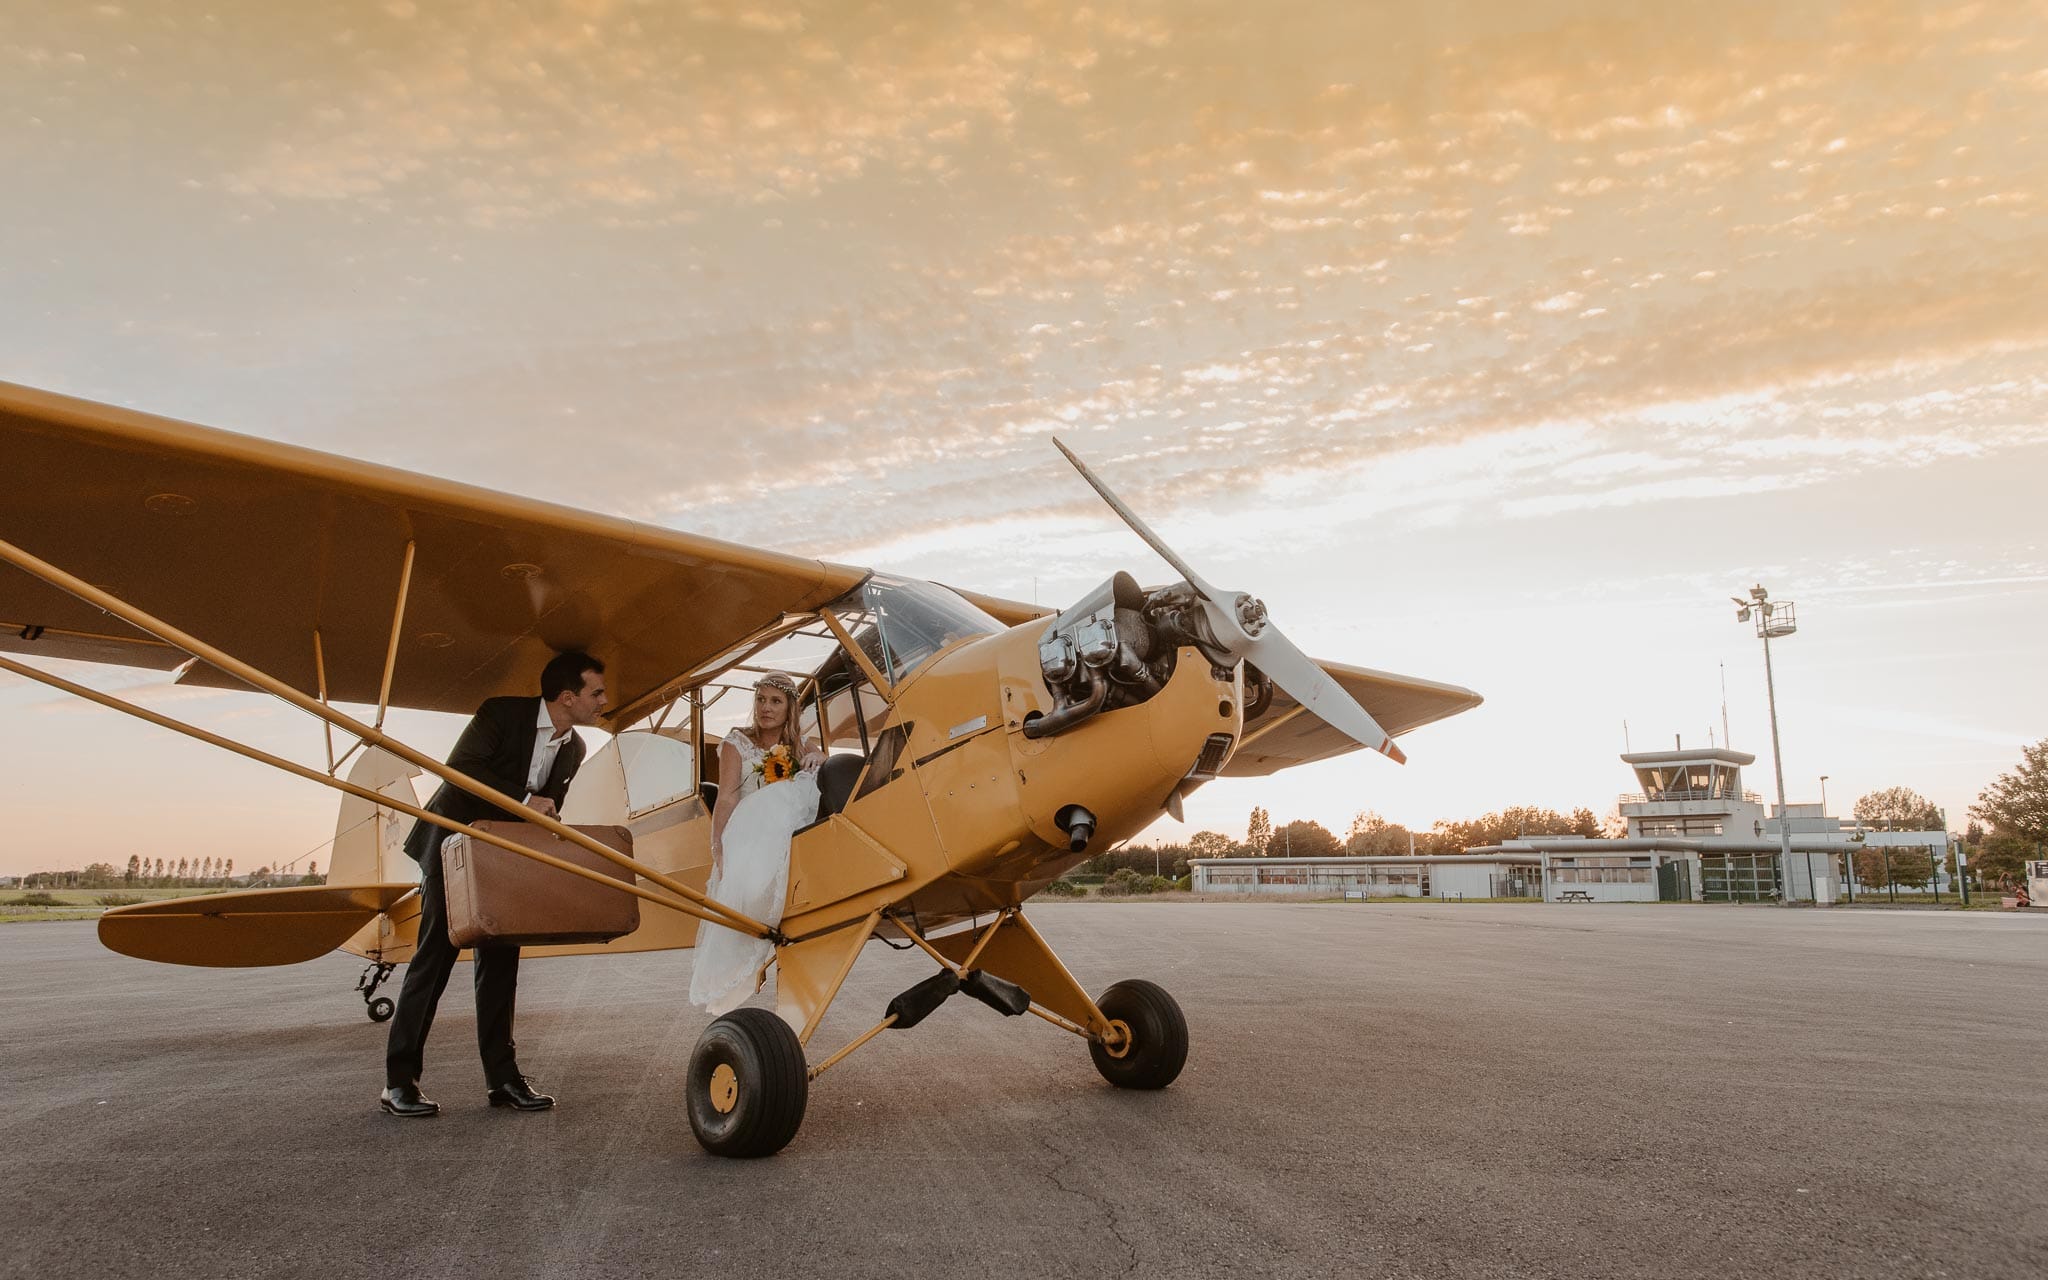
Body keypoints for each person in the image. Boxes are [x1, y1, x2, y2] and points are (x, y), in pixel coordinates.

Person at [380, 650, 608, 1119]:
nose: (604, 701)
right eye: (597, 692)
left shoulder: (576, 748)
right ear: (568, 697)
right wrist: (527, 799)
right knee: (433, 960)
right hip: (452, 847)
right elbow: (462, 773)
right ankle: (399, 1082)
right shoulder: (499, 714)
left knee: (502, 962)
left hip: (505, 857)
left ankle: (502, 1079)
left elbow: (548, 807)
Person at [689, 672, 824, 1019]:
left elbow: (823, 759)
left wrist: (818, 760)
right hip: (748, 832)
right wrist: (717, 845)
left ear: (790, 707)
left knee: (798, 791)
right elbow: (729, 797)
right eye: (761, 700)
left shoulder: (801, 746)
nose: (766, 708)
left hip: (785, 835)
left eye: (775, 701)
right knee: (774, 798)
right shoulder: (738, 743)